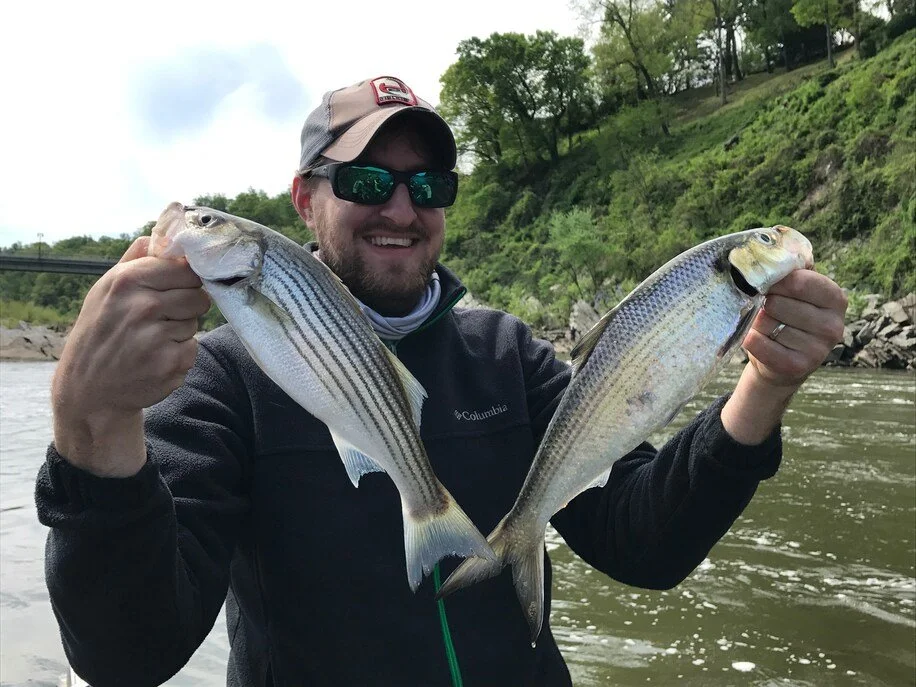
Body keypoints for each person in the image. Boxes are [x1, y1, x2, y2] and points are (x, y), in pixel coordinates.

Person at [36, 75, 847, 687]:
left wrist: (764, 388)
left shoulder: (507, 352)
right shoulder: (222, 380)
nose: (401, 206)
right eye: (364, 181)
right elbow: (126, 652)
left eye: (429, 185)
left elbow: (645, 543)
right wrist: (91, 425)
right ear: (304, 199)